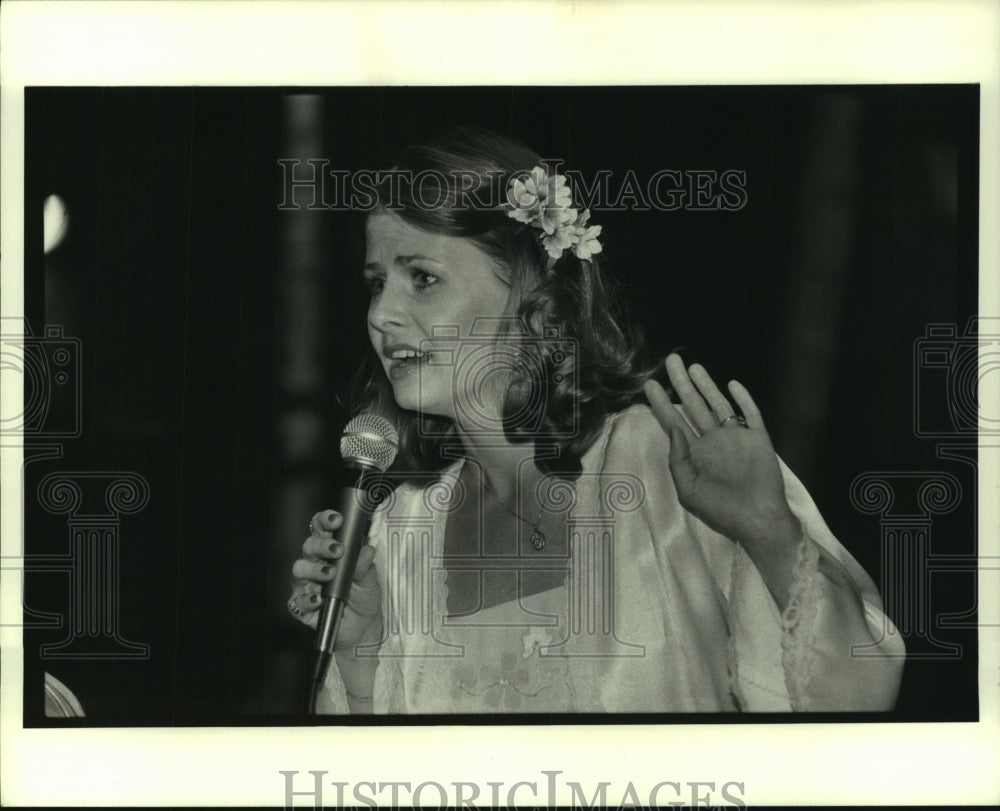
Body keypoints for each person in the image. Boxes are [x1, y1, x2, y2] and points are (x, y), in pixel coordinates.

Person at [287, 127, 905, 714]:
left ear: (534, 298)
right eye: (375, 283)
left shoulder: (662, 463)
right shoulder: (398, 527)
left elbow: (855, 700)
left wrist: (770, 531)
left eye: (422, 278)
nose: (383, 314)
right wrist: (359, 646)